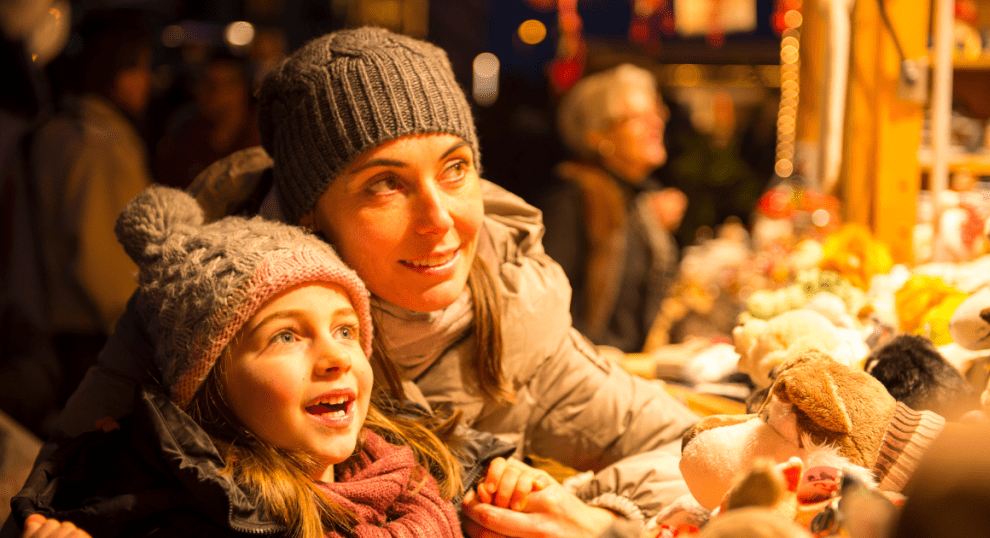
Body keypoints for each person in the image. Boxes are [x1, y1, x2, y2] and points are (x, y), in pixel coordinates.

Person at [51, 27, 701, 537]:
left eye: (455, 169)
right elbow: (60, 495)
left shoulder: (510, 318)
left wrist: (598, 519)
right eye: (385, 184)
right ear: (308, 213)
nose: (440, 220)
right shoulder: (197, 313)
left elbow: (699, 453)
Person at [5, 185, 466, 537]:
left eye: (345, 330)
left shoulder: (421, 468)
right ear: (210, 381)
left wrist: (519, 499)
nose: (335, 358)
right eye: (286, 335)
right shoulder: (165, 520)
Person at [26, 8, 154, 418]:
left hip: (61, 327)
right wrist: (142, 330)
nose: (146, 82)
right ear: (113, 70)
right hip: (96, 334)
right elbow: (100, 258)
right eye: (139, 68)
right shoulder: (98, 143)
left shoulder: (58, 129)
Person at [538, 63, 687, 353]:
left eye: (656, 111)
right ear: (598, 136)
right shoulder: (572, 201)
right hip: (592, 376)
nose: (655, 122)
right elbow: (548, 313)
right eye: (636, 117)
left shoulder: (634, 199)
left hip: (631, 370)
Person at [154, 51, 261, 190]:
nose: (215, 93)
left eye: (226, 84)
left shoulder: (264, 140)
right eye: (206, 82)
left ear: (243, 89)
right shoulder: (183, 137)